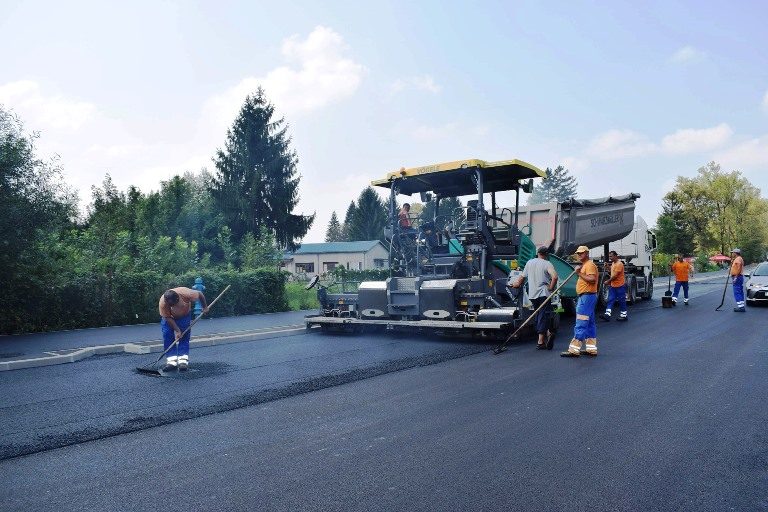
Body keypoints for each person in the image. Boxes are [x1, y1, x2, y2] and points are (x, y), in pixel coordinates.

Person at [509, 246, 559, 350]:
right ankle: (540, 341)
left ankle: (548, 334)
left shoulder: (529, 262)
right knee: (543, 315)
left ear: (538, 253)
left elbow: (521, 278)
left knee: (539, 314)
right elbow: (555, 277)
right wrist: (550, 287)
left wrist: (515, 284)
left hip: (533, 294)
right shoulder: (547, 263)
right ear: (547, 254)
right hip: (543, 294)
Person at [158, 287, 208, 371]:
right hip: (169, 318)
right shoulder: (163, 302)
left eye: (174, 304)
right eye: (170, 305)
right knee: (167, 335)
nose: (173, 306)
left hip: (184, 316)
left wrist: (205, 307)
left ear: (177, 298)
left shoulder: (186, 293)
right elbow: (167, 317)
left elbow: (200, 294)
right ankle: (171, 362)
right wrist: (177, 330)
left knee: (184, 336)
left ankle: (183, 362)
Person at [562, 245, 598, 357]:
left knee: (581, 322)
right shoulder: (585, 265)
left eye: (581, 253)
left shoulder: (589, 265)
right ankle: (591, 349)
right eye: (578, 253)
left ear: (587, 253)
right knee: (590, 323)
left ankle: (574, 349)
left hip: (587, 297)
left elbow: (592, 279)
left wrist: (579, 273)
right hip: (587, 297)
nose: (579, 255)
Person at [600, 250, 627, 322]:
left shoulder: (619, 264)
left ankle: (624, 316)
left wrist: (608, 281)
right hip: (613, 286)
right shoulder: (613, 264)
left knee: (622, 301)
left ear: (615, 256)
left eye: (611, 256)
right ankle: (607, 315)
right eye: (609, 256)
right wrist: (607, 266)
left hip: (620, 286)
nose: (610, 258)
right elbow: (611, 271)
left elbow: (615, 276)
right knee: (610, 300)